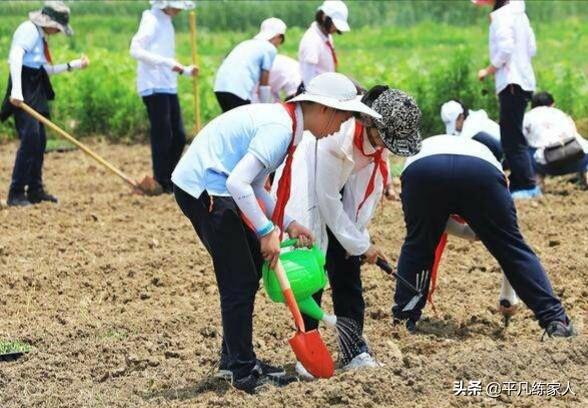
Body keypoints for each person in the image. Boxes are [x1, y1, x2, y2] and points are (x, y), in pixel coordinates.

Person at [171, 72, 381, 393]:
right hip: (206, 188)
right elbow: (237, 183)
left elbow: (255, 184)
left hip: (217, 185)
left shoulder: (288, 126)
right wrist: (267, 230)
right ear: (324, 110)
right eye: (343, 118)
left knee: (250, 269)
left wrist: (286, 223)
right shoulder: (280, 129)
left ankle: (235, 359)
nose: (342, 127)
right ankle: (241, 371)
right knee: (238, 279)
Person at [272, 86, 422, 376]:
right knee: (311, 277)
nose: (387, 147)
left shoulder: (375, 145)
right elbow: (327, 200)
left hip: (338, 206)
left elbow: (356, 199)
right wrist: (361, 244)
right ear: (370, 124)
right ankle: (308, 355)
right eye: (386, 139)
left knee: (348, 277)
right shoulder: (335, 138)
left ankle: (354, 350)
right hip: (310, 201)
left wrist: (357, 242)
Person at [392, 134, 576, 339]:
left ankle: (403, 319)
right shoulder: (487, 156)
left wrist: (465, 232)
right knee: (511, 248)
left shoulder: (431, 145)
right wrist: (508, 295)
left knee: (418, 246)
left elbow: (433, 224)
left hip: (423, 167)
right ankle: (556, 320)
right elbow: (507, 247)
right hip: (479, 171)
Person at [0, 1, 90, 207]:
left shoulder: (41, 38)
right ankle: (15, 193)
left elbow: (42, 70)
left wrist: (72, 65)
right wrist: (16, 91)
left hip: (36, 88)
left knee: (39, 140)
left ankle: (35, 190)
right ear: (49, 22)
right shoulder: (28, 30)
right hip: (24, 89)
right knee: (30, 139)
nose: (58, 32)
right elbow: (15, 56)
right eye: (58, 28)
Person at [130, 0, 198, 194]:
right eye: (176, 6)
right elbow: (135, 49)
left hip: (168, 85)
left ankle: (168, 177)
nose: (179, 10)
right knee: (163, 134)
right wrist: (166, 62)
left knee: (179, 136)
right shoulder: (151, 18)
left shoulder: (167, 21)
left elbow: (166, 56)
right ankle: (161, 179)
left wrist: (185, 70)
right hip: (152, 85)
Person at [474, 0, 539, 199]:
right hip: (524, 80)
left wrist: (489, 69)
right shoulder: (520, 14)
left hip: (511, 82)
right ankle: (523, 182)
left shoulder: (502, 16)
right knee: (514, 135)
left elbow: (505, 48)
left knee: (511, 137)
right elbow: (532, 48)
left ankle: (525, 184)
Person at [214, 17, 286, 112]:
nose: (279, 44)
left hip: (220, 87)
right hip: (238, 90)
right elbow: (264, 79)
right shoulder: (269, 48)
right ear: (278, 36)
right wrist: (265, 107)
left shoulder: (247, 43)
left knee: (231, 123)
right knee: (243, 124)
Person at [523, 91, 588, 187]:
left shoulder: (527, 117)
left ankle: (537, 185)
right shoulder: (561, 114)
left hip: (548, 165)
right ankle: (585, 178)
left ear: (532, 106)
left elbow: (521, 141)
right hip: (578, 160)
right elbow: (574, 133)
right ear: (552, 104)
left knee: (525, 151)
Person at [299, 0, 349, 86]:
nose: (336, 28)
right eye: (334, 24)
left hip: (326, 88)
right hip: (315, 93)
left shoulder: (327, 36)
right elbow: (308, 80)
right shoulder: (312, 40)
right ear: (324, 17)